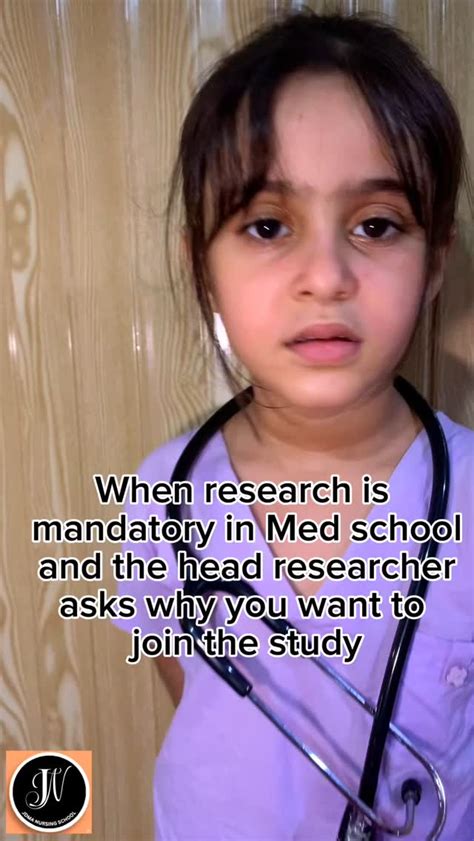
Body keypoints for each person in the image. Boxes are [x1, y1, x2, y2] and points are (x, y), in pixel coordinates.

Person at [111, 8, 473, 839]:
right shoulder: (160, 497)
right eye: (268, 226)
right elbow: (189, 683)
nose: (325, 275)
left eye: (376, 225)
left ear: (434, 265)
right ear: (202, 266)